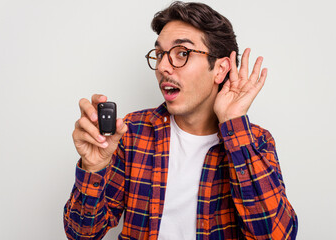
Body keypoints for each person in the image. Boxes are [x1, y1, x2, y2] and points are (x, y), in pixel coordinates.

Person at [64, 1, 298, 239]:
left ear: (220, 69)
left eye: (182, 53)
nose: (163, 66)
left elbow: (275, 236)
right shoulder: (131, 133)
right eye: (159, 54)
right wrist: (93, 168)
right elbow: (81, 234)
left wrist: (233, 122)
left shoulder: (256, 142)